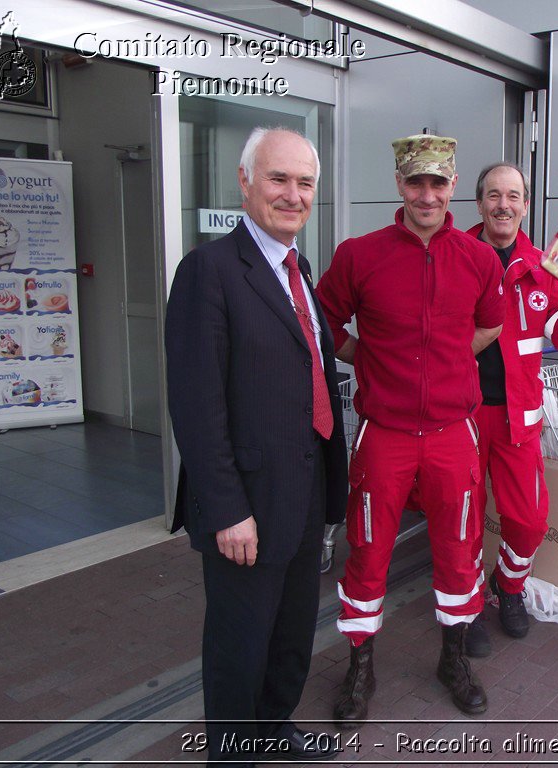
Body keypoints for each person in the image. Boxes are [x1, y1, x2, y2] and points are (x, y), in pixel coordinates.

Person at [165, 127, 348, 765]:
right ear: (245, 182)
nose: (293, 195)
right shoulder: (209, 271)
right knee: (240, 642)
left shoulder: (300, 275)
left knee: (292, 634)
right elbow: (195, 405)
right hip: (248, 504)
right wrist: (226, 510)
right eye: (278, 179)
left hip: (304, 493)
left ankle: (274, 732)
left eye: (304, 183)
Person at [316, 134, 505, 727]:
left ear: (453, 188)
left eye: (439, 183)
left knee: (459, 547)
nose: (428, 194)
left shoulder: (477, 259)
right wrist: (362, 358)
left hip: (454, 432)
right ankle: (360, 667)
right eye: (416, 182)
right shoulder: (359, 254)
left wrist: (450, 360)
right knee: (368, 549)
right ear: (399, 184)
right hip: (386, 433)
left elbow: (491, 326)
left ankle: (454, 659)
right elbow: (323, 320)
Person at [463, 162, 558, 655]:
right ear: (479, 204)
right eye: (494, 195)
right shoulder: (456, 257)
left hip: (518, 418)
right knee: (465, 520)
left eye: (513, 195)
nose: (503, 204)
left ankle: (510, 586)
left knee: (530, 520)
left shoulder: (546, 266)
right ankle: (469, 605)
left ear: (524, 204)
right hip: (462, 417)